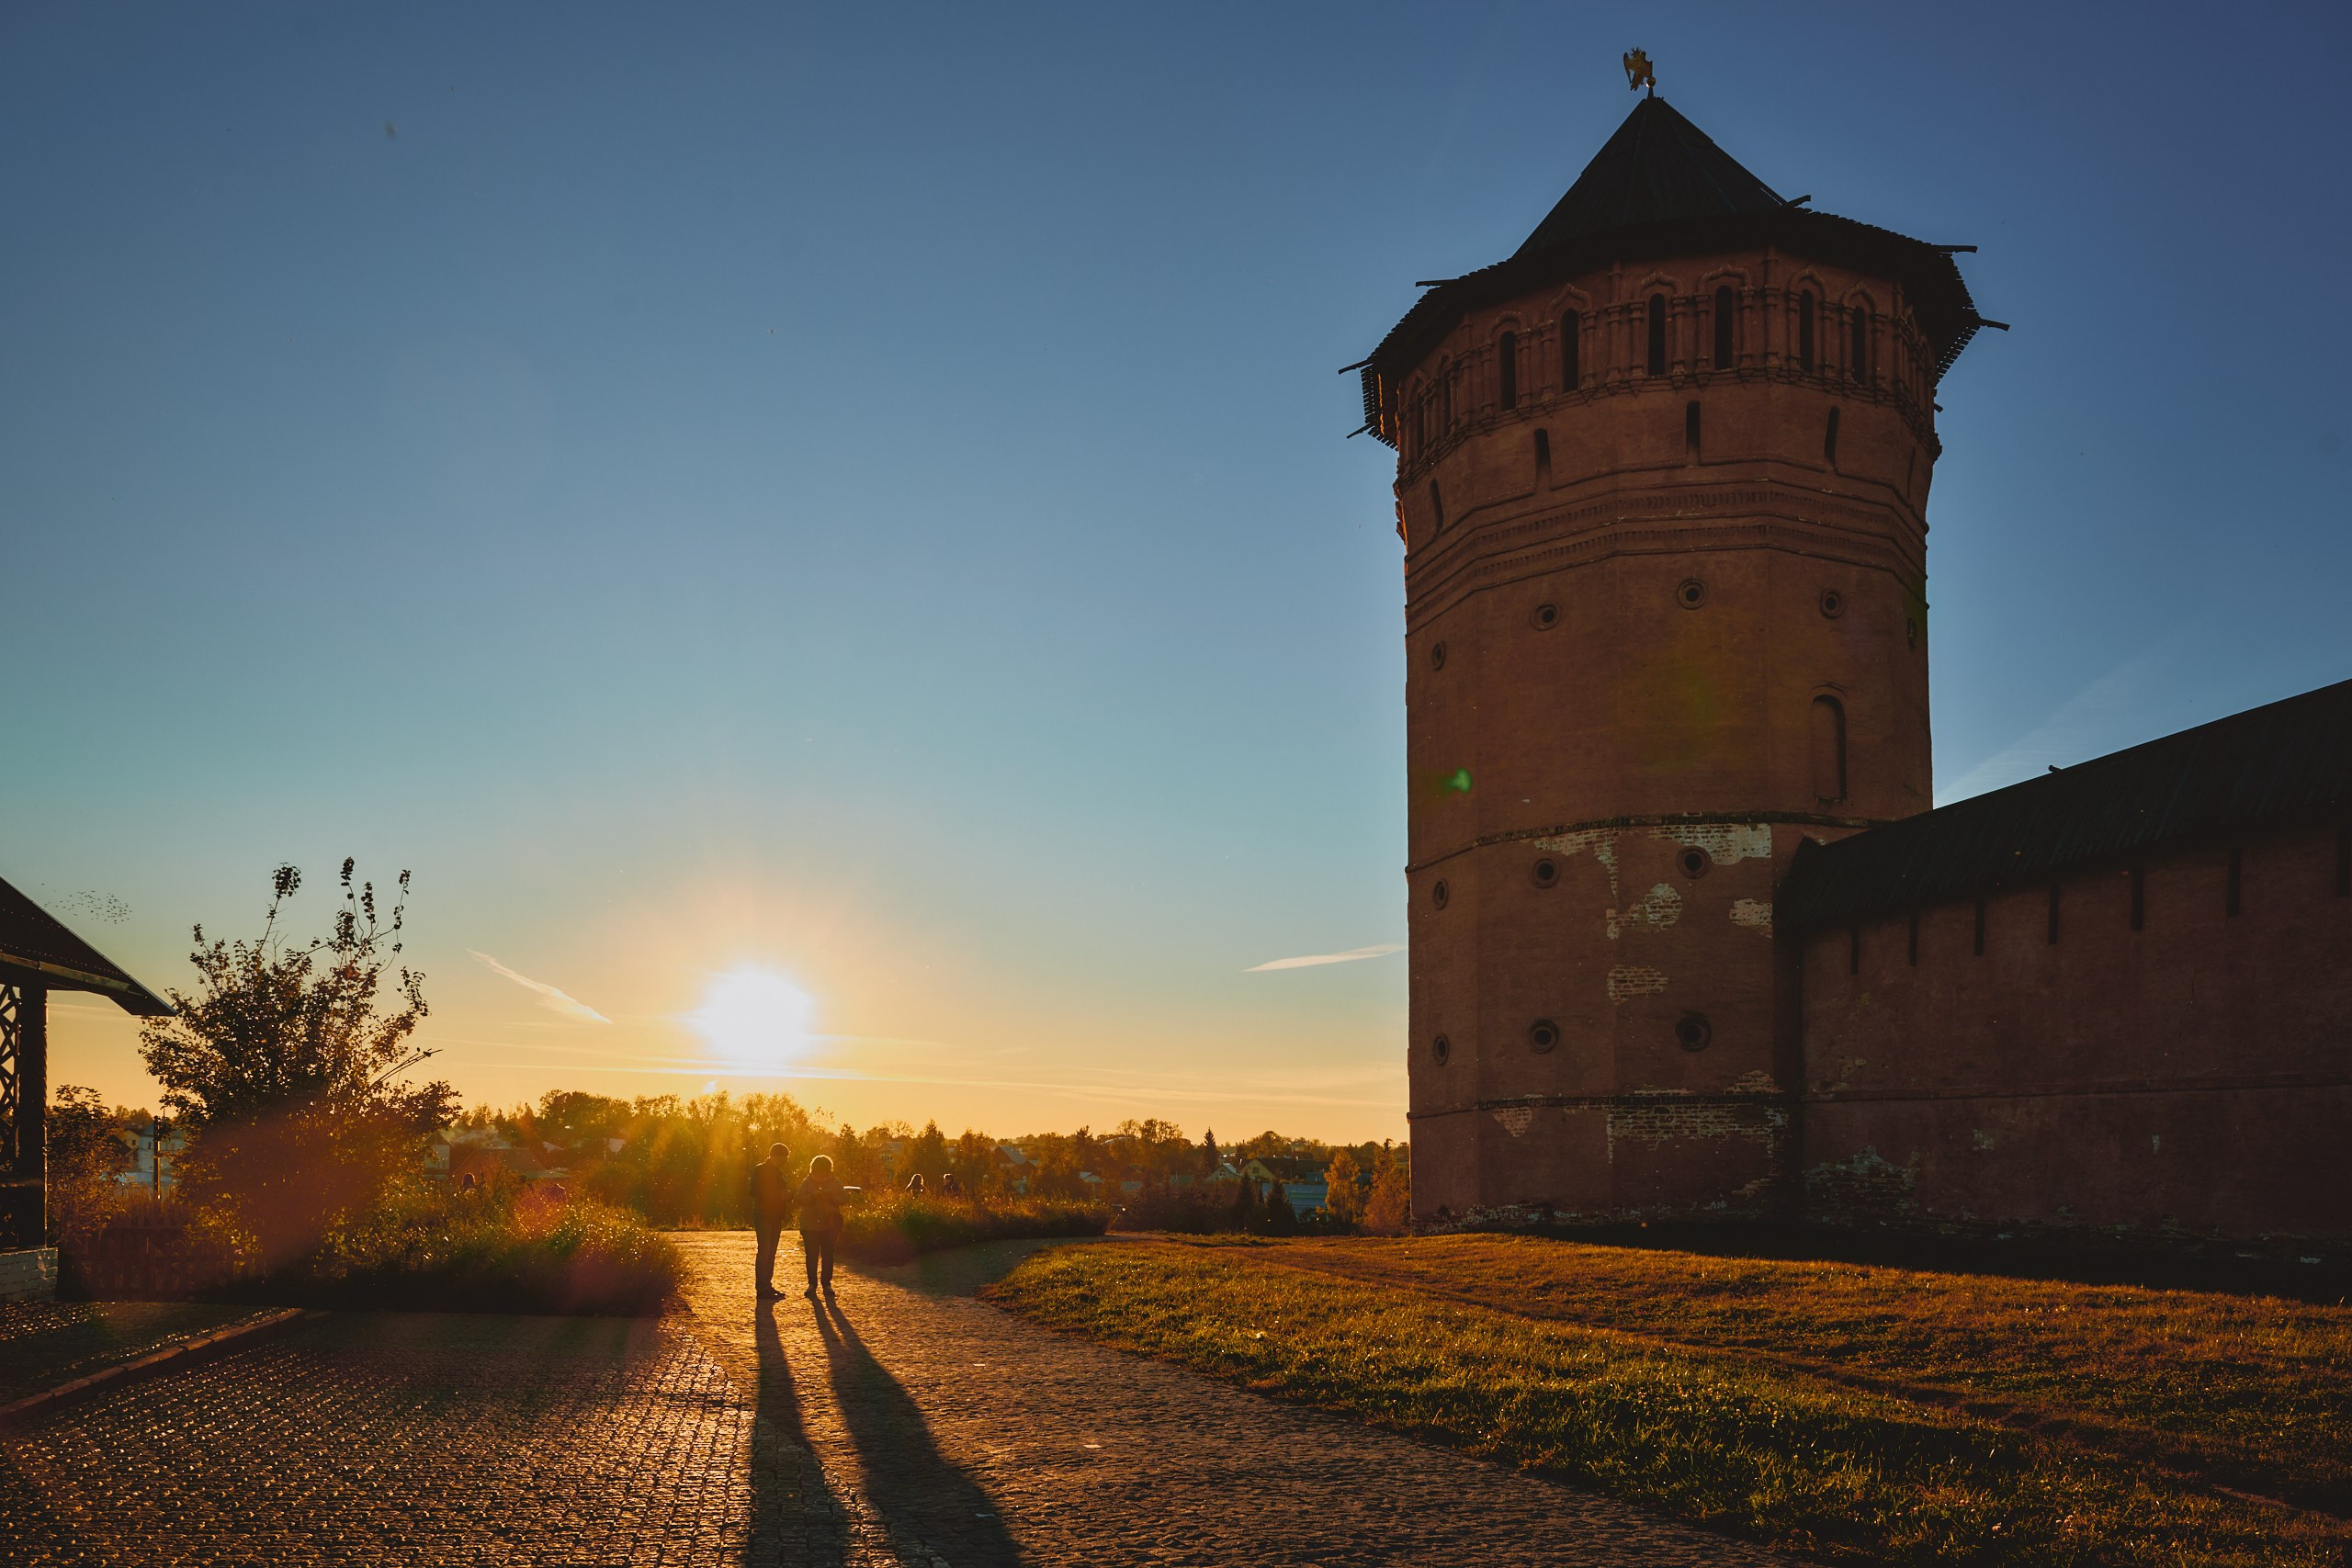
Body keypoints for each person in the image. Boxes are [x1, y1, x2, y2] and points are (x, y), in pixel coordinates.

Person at [796, 1154, 846, 1298]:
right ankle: (812, 1284)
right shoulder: (806, 1182)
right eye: (818, 1174)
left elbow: (844, 1198)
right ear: (813, 1171)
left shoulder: (835, 1182)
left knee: (828, 1255)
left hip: (830, 1225)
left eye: (824, 1174)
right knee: (811, 1256)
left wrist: (832, 1198)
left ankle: (827, 1284)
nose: (822, 1177)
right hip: (810, 1225)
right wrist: (813, 1196)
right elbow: (799, 1199)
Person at [749, 1142, 794, 1300]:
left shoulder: (779, 1173)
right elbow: (753, 1191)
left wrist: (788, 1196)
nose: (786, 1161)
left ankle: (767, 1285)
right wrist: (778, 1195)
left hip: (776, 1216)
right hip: (763, 1216)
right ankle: (762, 1288)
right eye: (785, 1158)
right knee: (765, 1251)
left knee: (771, 1252)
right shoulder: (759, 1170)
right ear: (777, 1156)